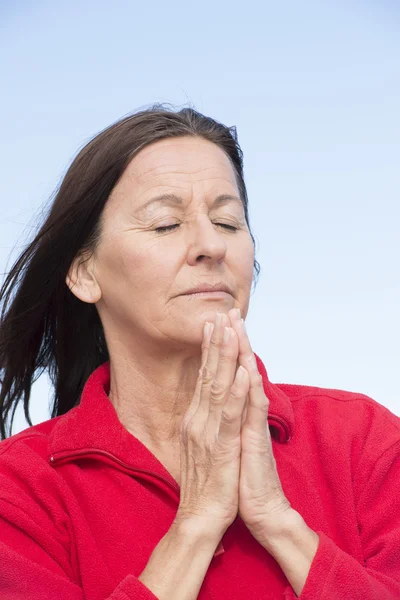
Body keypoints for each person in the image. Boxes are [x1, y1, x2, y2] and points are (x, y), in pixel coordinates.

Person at [0, 106, 399, 600]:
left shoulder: (363, 440)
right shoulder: (18, 490)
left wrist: (280, 523)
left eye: (228, 222)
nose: (211, 245)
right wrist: (195, 525)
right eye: (166, 224)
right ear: (84, 274)